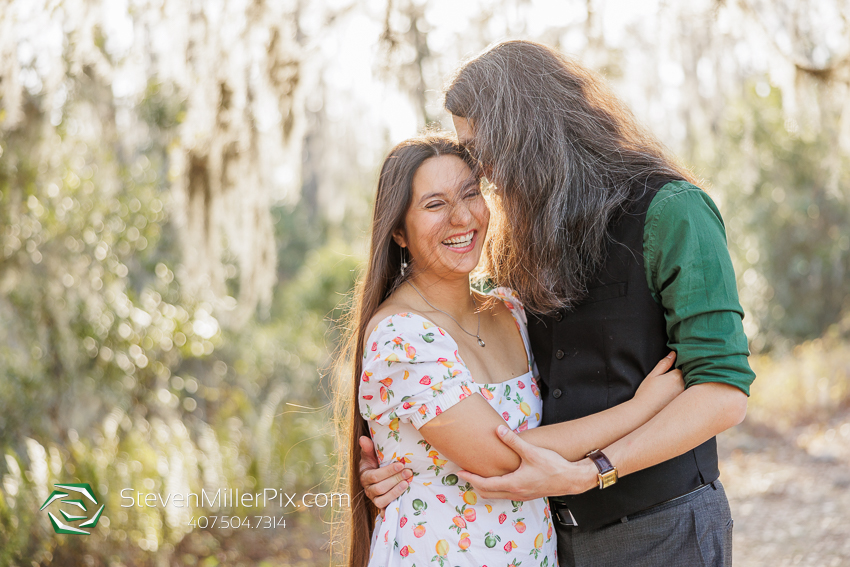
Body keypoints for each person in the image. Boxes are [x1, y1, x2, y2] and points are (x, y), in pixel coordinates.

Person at [359, 41, 756, 567]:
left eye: (479, 152)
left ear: (527, 131)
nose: (485, 174)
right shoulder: (519, 242)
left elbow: (723, 391)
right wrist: (408, 465)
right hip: (550, 542)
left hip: (662, 529)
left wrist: (598, 469)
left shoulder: (671, 210)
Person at [338, 132, 686, 567]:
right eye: (434, 204)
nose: (462, 217)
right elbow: (504, 457)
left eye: (471, 193)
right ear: (398, 232)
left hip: (533, 553)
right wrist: (643, 408)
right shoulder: (400, 337)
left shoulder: (512, 309)